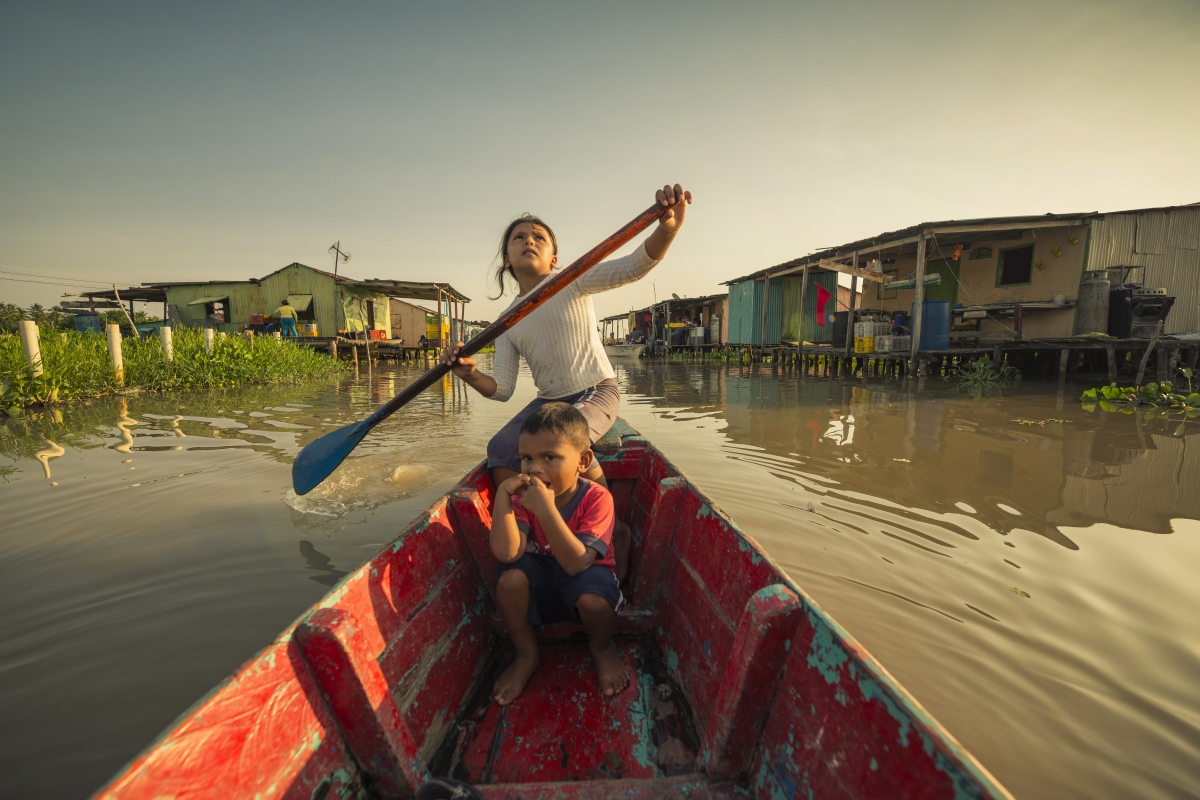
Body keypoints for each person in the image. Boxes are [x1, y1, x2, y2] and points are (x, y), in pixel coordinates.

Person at [441, 184, 691, 583]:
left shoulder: (572, 279)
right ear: (507, 259)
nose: (529, 241)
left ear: (553, 257)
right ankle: (536, 526)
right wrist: (469, 373)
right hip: (550, 399)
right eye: (519, 237)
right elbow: (501, 388)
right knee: (500, 449)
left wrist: (668, 228)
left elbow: (635, 266)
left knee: (564, 439)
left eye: (539, 237)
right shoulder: (507, 320)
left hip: (596, 389)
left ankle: (613, 530)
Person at [490, 403, 625, 704]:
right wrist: (503, 495)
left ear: (583, 461)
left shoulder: (597, 497)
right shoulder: (524, 498)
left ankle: (602, 648)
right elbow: (507, 553)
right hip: (545, 583)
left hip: (585, 577)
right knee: (508, 580)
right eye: (527, 458)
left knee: (594, 601)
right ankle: (526, 653)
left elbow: (579, 563)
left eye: (549, 457)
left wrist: (547, 510)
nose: (534, 468)